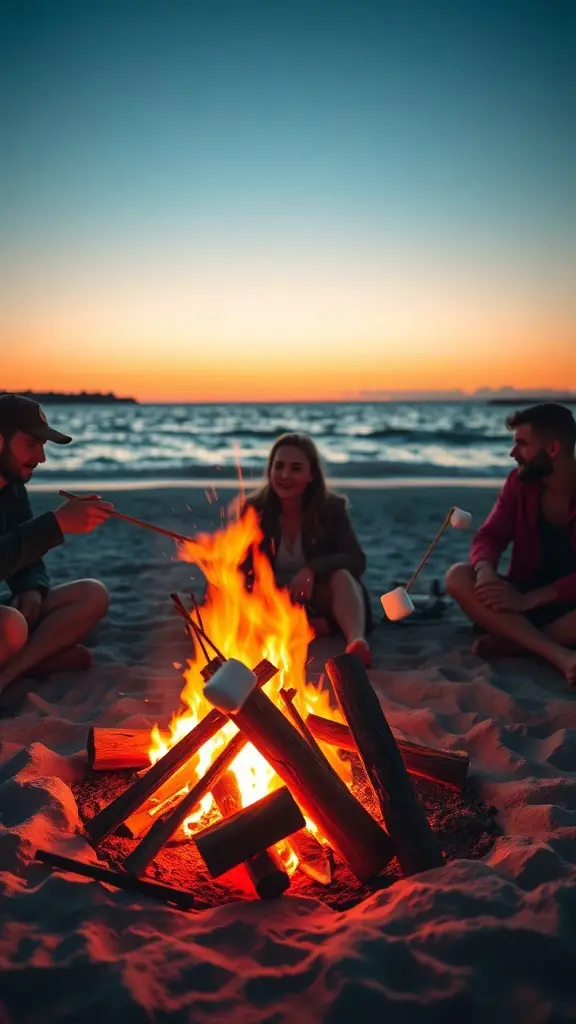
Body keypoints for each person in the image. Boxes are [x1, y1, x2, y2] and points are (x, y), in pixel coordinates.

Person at [445, 403, 576, 684]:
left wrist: (531, 599)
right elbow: (490, 535)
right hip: (520, 602)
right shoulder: (519, 483)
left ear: (552, 449)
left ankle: (519, 643)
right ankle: (557, 653)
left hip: (565, 605)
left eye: (522, 444)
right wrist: (485, 572)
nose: (513, 453)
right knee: (458, 575)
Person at [0, 393, 113, 696]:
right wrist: (57, 525)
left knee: (92, 593)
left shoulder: (10, 488)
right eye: (31, 445)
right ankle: (30, 663)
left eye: (42, 446)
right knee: (10, 625)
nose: (41, 458)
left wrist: (31, 587)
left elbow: (23, 544)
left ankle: (13, 671)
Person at [240, 432, 373, 666]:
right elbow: (242, 567)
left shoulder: (331, 507)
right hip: (273, 599)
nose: (284, 475)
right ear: (269, 471)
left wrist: (312, 570)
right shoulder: (254, 509)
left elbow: (356, 560)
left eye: (295, 468)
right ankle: (310, 624)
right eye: (278, 466)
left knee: (342, 576)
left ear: (311, 475)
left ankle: (356, 643)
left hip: (320, 596)